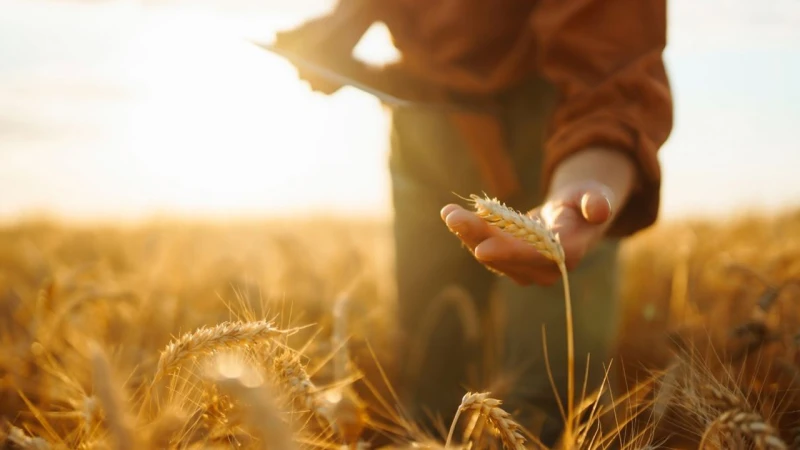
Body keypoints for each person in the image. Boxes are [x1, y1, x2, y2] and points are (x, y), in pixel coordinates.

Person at [274, 0, 673, 446]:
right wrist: (344, 23)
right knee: (431, 365)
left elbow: (610, 51)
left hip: (557, 130)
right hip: (422, 120)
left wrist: (586, 178)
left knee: (549, 394)